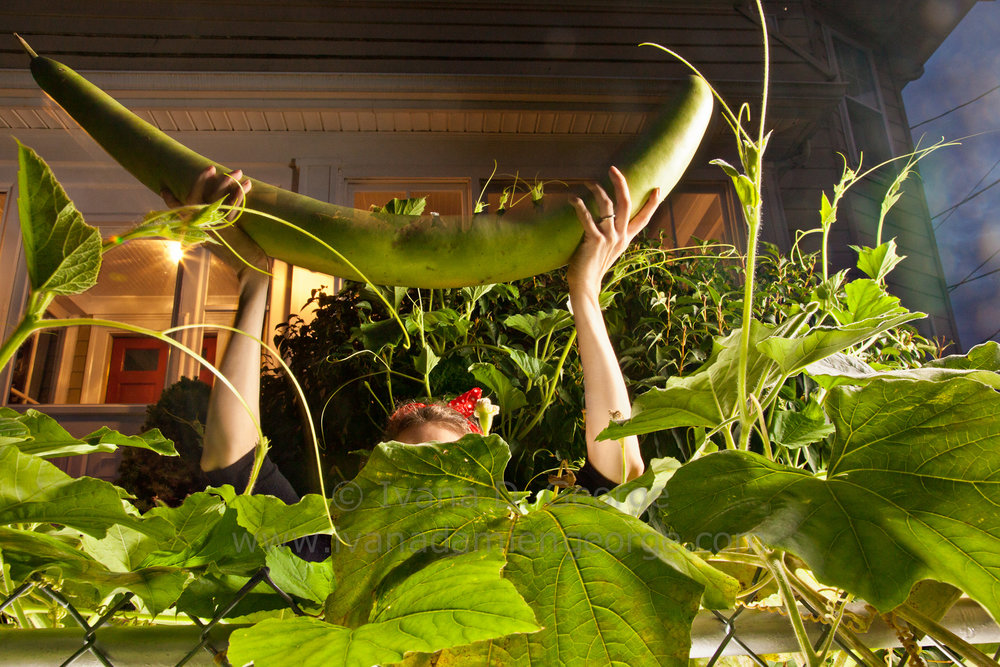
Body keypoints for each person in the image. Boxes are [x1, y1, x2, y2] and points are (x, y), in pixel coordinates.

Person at [166, 164, 662, 512]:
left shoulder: (526, 536)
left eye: (453, 462)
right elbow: (234, 466)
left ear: (494, 480)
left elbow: (620, 471)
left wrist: (585, 293)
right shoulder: (341, 549)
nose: (431, 480)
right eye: (407, 466)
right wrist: (254, 285)